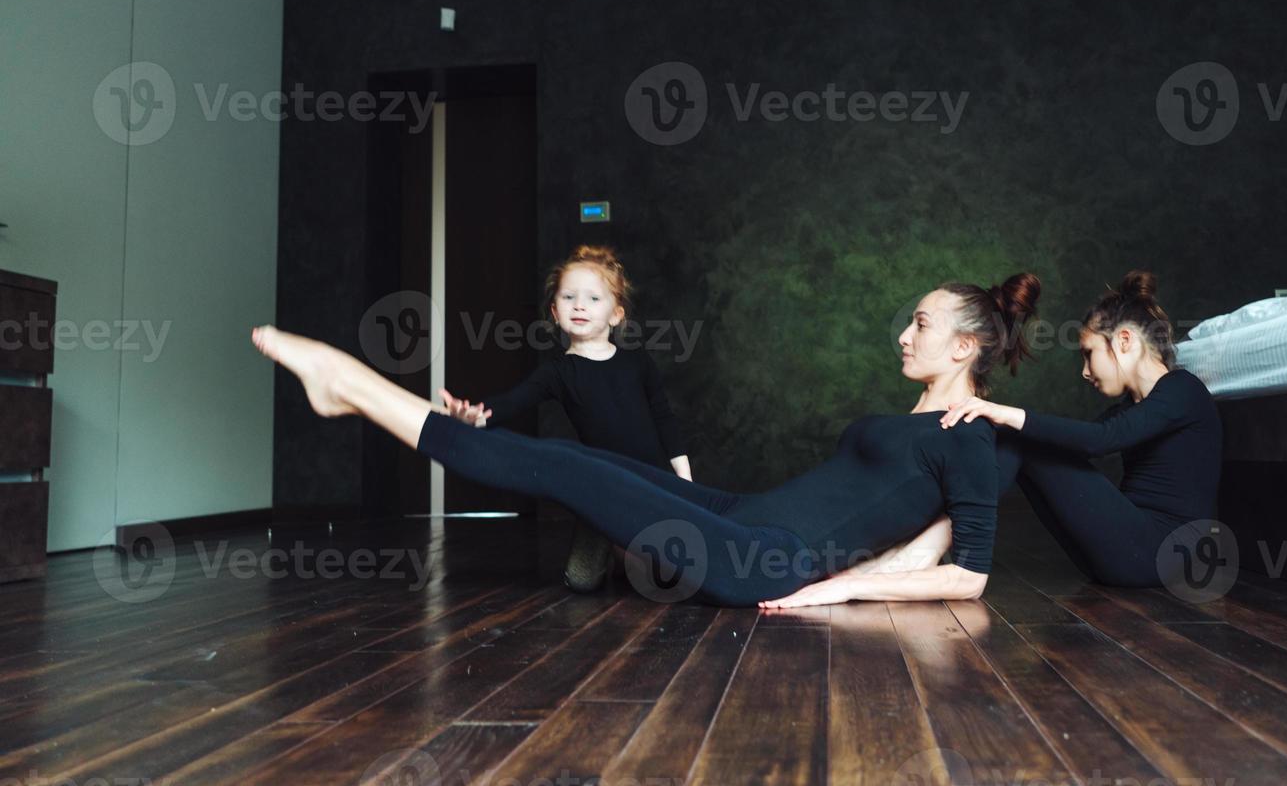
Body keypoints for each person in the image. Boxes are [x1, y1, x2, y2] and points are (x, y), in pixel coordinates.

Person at [249, 273, 1040, 607]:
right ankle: (352, 392)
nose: (904, 335)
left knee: (560, 467)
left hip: (762, 558)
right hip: (747, 514)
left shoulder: (971, 438)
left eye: (923, 325)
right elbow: (916, 543)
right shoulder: (927, 425)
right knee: (592, 456)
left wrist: (831, 591)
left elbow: (966, 578)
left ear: (966, 348)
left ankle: (350, 385)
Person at [939, 270, 1222, 587]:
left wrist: (1004, 413)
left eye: (1089, 355)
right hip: (1127, 555)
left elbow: (1098, 441)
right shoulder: (1129, 409)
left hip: (1166, 554)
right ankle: (936, 544)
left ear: (1124, 341)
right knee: (1024, 439)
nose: (1086, 372)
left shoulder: (1183, 389)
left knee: (1023, 438)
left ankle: (943, 554)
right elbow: (1070, 444)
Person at [442, 245, 690, 592]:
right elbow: (514, 402)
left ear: (616, 314)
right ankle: (611, 543)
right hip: (601, 488)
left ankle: (626, 551)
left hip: (650, 482)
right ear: (555, 312)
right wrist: (475, 416)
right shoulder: (558, 373)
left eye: (592, 298)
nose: (579, 305)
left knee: (667, 577)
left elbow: (664, 417)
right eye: (569, 297)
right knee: (581, 582)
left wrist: (683, 477)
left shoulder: (637, 364)